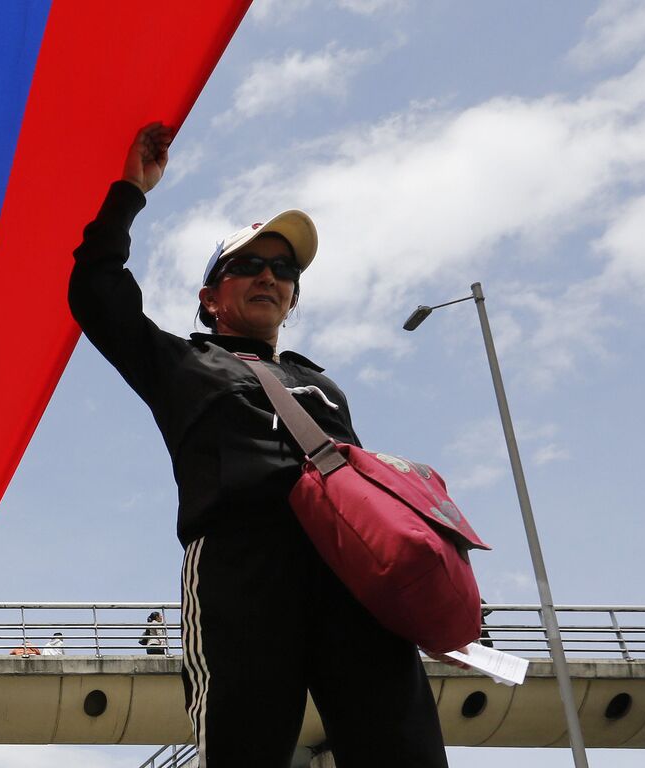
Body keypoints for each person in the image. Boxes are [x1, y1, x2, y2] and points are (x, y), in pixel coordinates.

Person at [65, 123, 446, 766]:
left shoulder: (322, 384)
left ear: (293, 297)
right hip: (245, 569)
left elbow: (369, 490)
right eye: (247, 265)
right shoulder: (183, 363)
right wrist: (132, 189)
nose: (269, 276)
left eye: (284, 269)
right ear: (210, 297)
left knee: (405, 748)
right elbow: (96, 292)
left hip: (351, 571)